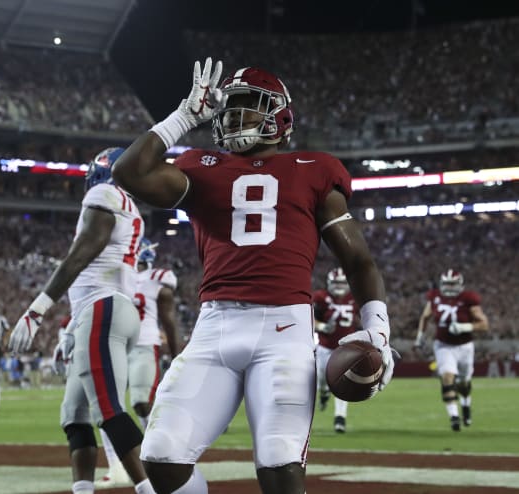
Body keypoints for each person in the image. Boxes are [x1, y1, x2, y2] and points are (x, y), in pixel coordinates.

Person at [111, 58, 396, 494]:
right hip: (214, 327)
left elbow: (358, 261)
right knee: (162, 457)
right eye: (229, 107)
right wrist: (182, 117)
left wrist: (377, 330)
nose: (233, 116)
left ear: (280, 117)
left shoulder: (314, 168)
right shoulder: (199, 165)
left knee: (280, 471)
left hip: (283, 331)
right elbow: (128, 173)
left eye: (247, 106)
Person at [9, 147, 156, 494]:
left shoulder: (104, 193)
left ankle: (152, 489)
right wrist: (73, 328)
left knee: (108, 410)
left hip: (104, 309)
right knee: (74, 415)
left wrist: (37, 309)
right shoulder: (128, 205)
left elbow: (81, 254)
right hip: (100, 310)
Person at [97, 238, 180, 488]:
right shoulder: (114, 276)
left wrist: (176, 354)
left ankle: (155, 453)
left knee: (141, 403)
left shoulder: (158, 278)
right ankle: (115, 467)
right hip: (115, 344)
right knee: (107, 406)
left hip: (144, 344)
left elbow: (168, 317)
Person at [414, 269, 489, 431]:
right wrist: (420, 336)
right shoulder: (434, 297)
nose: (449, 287)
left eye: (452, 284)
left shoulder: (468, 299)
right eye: (447, 284)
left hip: (464, 346)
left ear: (460, 284)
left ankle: (466, 403)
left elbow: (484, 324)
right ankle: (454, 417)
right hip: (443, 345)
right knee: (447, 377)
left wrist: (465, 326)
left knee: (463, 384)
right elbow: (425, 316)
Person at [313, 267, 360, 433]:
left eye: (342, 282)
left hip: (345, 347)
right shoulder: (321, 297)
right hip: (325, 346)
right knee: (322, 380)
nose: (339, 286)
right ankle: (324, 393)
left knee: (342, 382)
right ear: (329, 283)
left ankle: (340, 418)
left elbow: (363, 319)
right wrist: (322, 326)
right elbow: (309, 318)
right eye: (336, 283)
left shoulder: (354, 298)